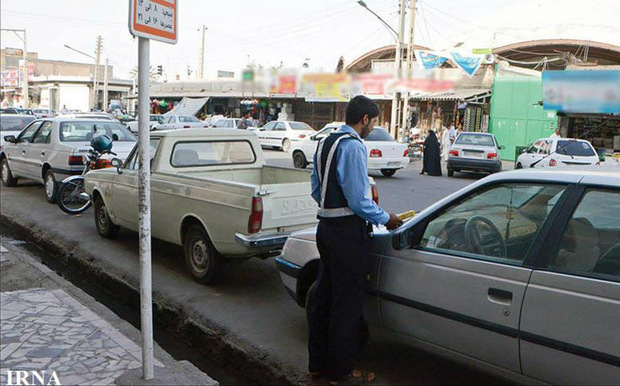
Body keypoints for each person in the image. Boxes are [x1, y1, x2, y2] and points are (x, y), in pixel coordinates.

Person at [308, 95, 402, 384]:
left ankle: (319, 364)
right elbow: (359, 201)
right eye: (373, 122)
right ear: (364, 120)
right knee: (346, 304)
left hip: (325, 228)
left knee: (324, 297)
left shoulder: (326, 142)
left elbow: (315, 188)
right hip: (347, 234)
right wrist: (387, 218)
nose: (373, 128)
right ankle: (342, 371)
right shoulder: (353, 146)